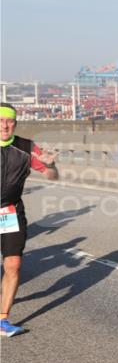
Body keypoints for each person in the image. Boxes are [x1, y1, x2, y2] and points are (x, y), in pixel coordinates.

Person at [1, 103, 59, 337]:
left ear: (15, 123)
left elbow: (51, 176)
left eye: (10, 121)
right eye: (1, 121)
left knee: (13, 264)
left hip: (11, 212)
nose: (5, 125)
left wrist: (51, 164)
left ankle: (3, 319)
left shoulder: (26, 147)